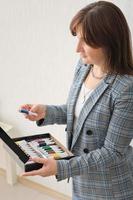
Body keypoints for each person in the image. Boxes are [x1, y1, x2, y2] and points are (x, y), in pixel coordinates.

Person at [20, 1, 133, 199]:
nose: (77, 48)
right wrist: (46, 111)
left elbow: (113, 151)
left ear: (109, 41)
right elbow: (81, 113)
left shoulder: (126, 88)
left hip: (110, 187)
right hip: (81, 177)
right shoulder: (84, 67)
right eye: (77, 39)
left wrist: (61, 167)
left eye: (85, 41)